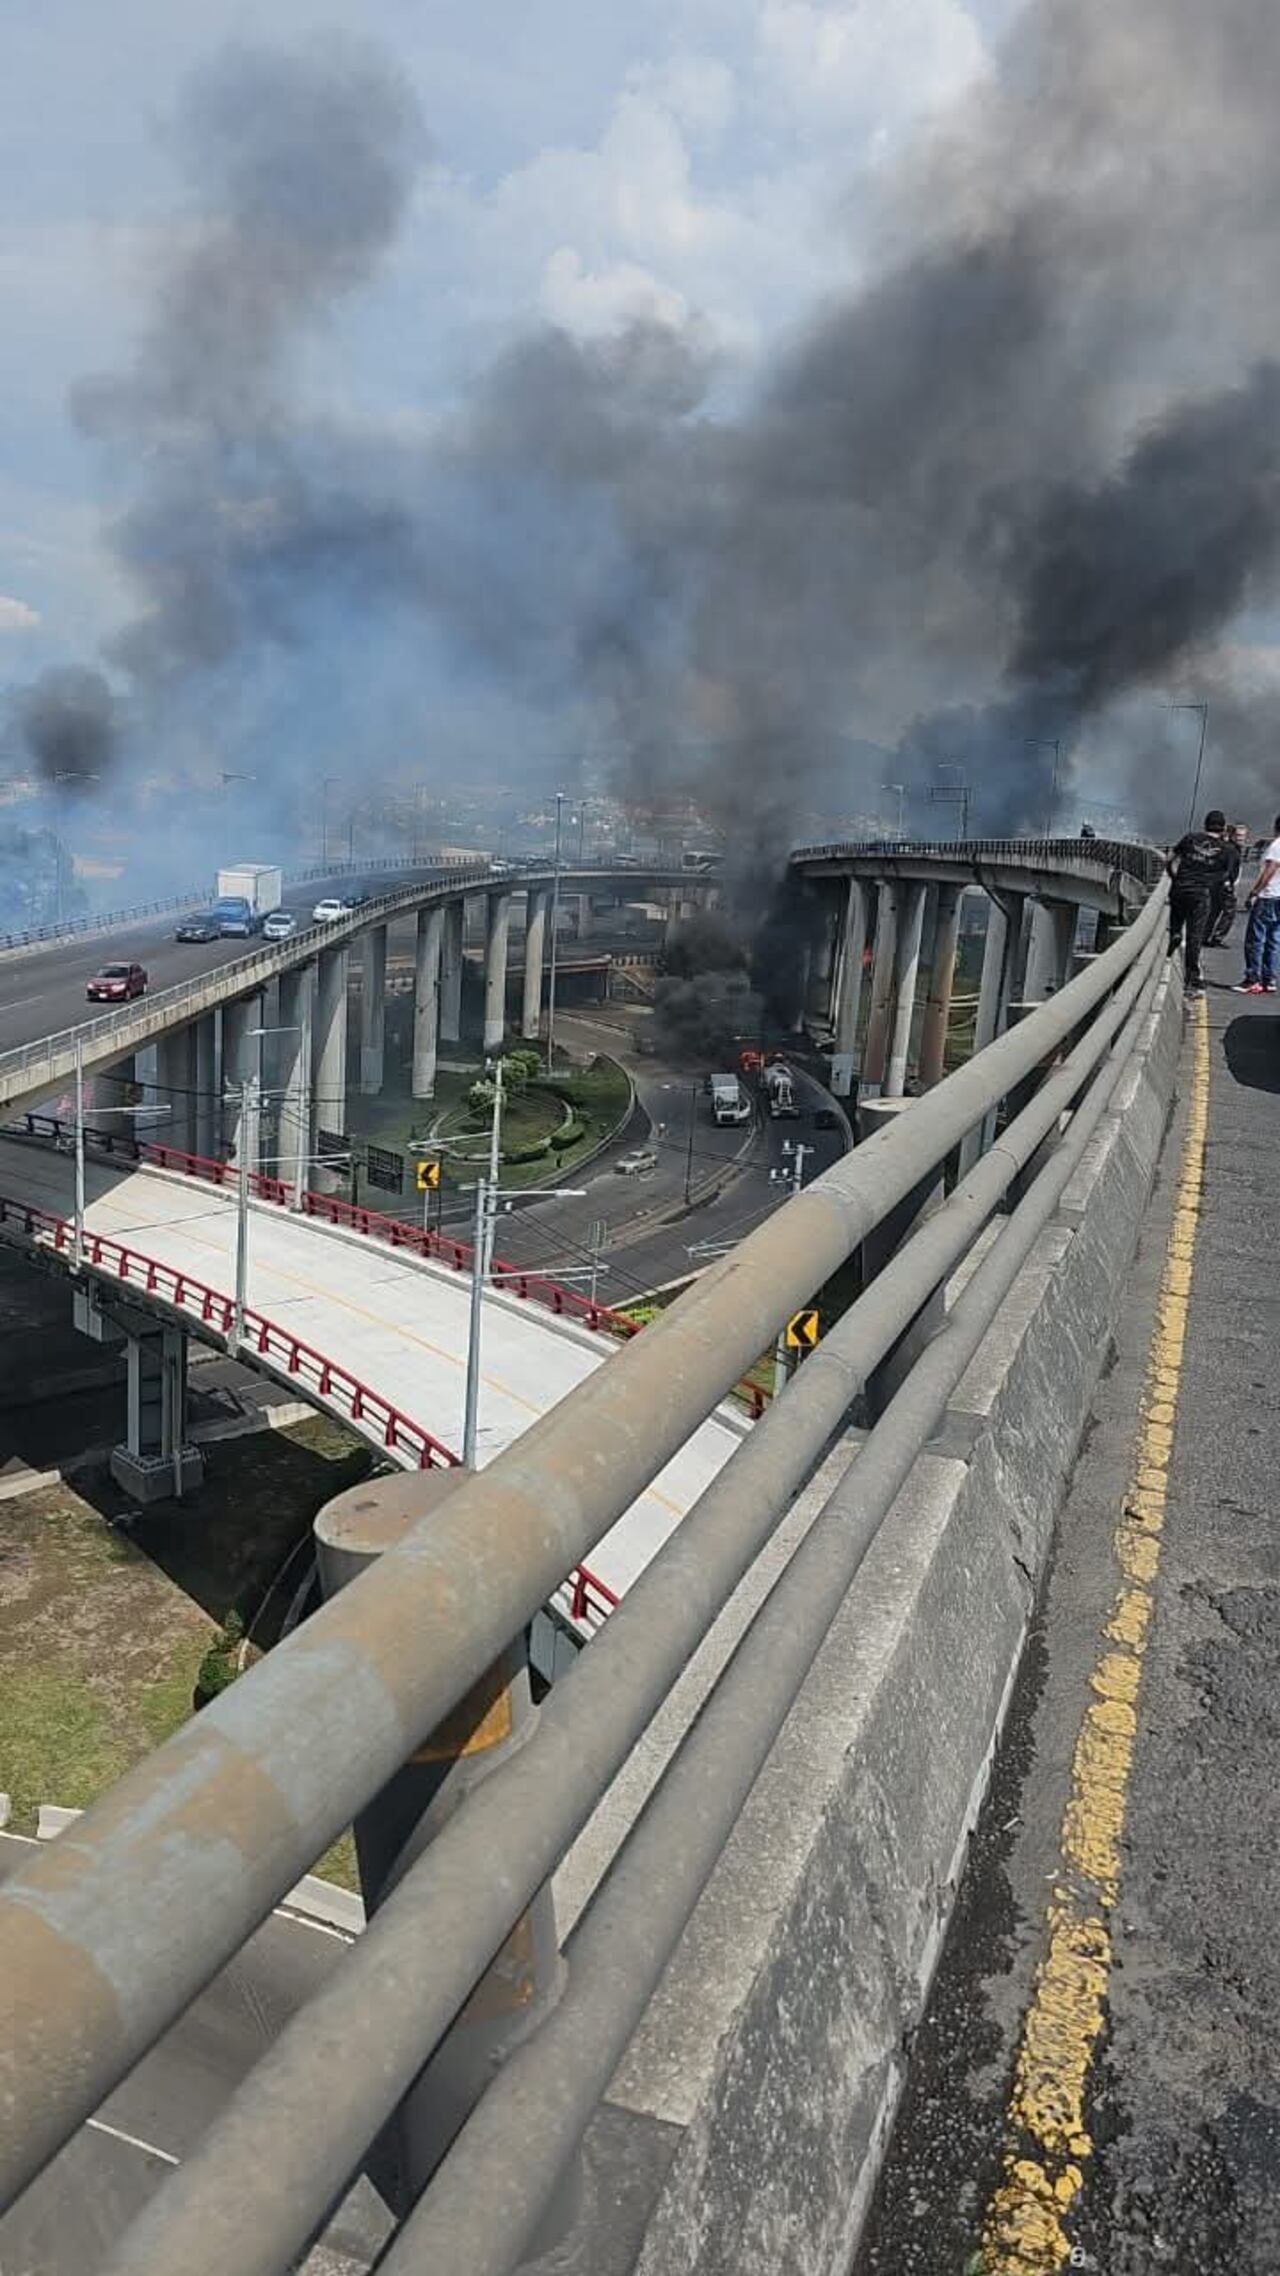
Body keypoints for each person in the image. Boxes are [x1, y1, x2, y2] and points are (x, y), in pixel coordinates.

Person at [1166, 809, 1233, 999]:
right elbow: (1225, 877)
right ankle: (1192, 979)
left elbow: (1170, 859)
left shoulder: (1190, 838)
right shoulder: (1226, 849)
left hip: (1179, 888)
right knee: (1195, 936)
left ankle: (1175, 934)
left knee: (1177, 922)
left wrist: (1175, 877)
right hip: (1200, 894)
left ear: (1205, 824)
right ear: (1222, 828)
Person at [1236, 813, 1280, 994]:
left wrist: (1255, 892)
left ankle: (1252, 979)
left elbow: (1270, 869)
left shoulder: (1276, 846)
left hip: (1268, 897)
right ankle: (1269, 979)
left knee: (1255, 940)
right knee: (1274, 940)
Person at [1206, 822, 1247, 947]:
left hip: (1218, 884)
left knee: (1214, 911)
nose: (1241, 838)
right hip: (1225, 885)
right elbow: (1227, 869)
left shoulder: (1229, 847)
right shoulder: (1231, 849)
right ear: (1232, 835)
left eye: (1243, 836)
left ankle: (1204, 936)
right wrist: (1228, 884)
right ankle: (1217, 937)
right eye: (1239, 835)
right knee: (1229, 912)